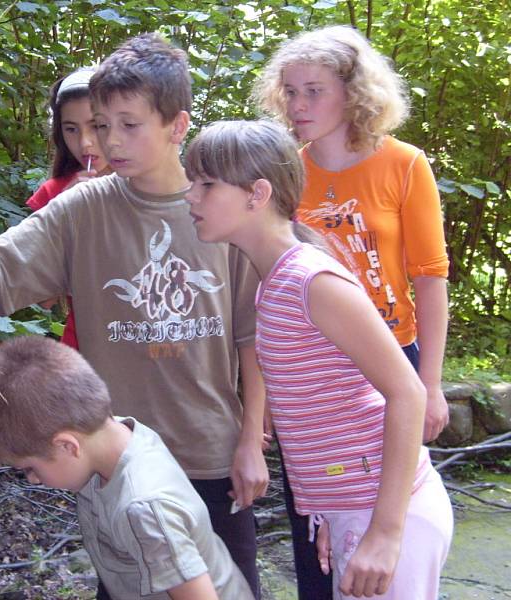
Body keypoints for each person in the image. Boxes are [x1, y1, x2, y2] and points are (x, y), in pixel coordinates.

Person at [0, 33, 264, 597]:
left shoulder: (219, 208)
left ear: (177, 124)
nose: (108, 141)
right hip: (112, 458)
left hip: (210, 455)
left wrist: (251, 439)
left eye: (129, 124)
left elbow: (249, 337)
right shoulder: (84, 207)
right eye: (100, 123)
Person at [184, 119, 453, 600]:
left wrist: (385, 531)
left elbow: (406, 391)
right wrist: (333, 510)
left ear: (257, 193)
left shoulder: (313, 282)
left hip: (391, 515)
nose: (190, 197)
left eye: (205, 184)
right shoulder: (275, 282)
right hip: (352, 510)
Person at [252, 26, 451, 599]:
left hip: (391, 360)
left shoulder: (405, 164)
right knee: (315, 514)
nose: (297, 105)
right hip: (310, 364)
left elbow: (430, 279)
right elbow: (267, 288)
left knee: (389, 509)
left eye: (313, 90)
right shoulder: (286, 171)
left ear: (355, 94)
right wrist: (262, 395)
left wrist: (429, 383)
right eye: (288, 91)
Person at [0, 336, 255, 600]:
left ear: (67, 446)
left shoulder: (145, 508)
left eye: (30, 468)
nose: (34, 479)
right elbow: (18, 430)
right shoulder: (105, 432)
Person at [26, 67, 112, 348]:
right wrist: (66, 210)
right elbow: (44, 299)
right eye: (71, 129)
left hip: (152, 351)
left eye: (97, 126)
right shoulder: (53, 195)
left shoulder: (148, 188)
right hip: (84, 349)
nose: (85, 143)